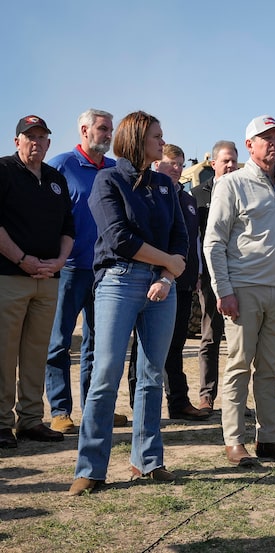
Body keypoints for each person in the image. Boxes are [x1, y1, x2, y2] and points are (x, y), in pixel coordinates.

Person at [70, 111, 188, 495]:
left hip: (162, 288)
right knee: (105, 375)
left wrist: (169, 276)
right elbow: (118, 237)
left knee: (153, 376)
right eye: (157, 134)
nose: (162, 139)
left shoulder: (166, 186)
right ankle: (90, 469)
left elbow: (180, 239)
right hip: (118, 281)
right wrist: (166, 263)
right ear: (137, 139)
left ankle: (147, 461)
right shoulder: (109, 179)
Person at [203, 115, 275, 467]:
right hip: (243, 288)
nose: (273, 143)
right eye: (266, 137)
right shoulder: (231, 184)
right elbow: (213, 243)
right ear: (250, 145)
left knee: (270, 369)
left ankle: (270, 440)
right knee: (239, 366)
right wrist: (224, 290)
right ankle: (234, 441)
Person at [44, 109, 125, 434]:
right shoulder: (61, 166)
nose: (108, 135)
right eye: (103, 129)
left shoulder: (114, 169)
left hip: (106, 271)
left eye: (110, 130)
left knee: (97, 343)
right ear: (84, 130)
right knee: (60, 342)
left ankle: (95, 407)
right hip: (69, 270)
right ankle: (60, 411)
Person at [0, 115, 74, 449]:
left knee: (35, 354)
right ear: (17, 141)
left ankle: (30, 420)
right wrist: (21, 259)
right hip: (10, 277)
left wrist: (59, 261)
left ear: (48, 142)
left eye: (42, 137)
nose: (36, 142)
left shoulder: (56, 178)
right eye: (29, 137)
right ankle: (1, 423)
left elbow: (68, 228)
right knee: (3, 354)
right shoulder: (3, 171)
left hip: (48, 279)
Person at [125, 144, 208, 420]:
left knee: (176, 345)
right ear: (157, 163)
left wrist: (194, 274)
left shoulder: (186, 200)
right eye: (172, 162)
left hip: (182, 283)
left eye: (181, 164)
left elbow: (192, 241)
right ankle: (140, 405)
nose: (177, 168)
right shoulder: (149, 194)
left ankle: (179, 402)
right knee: (144, 346)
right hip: (154, 281)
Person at [191, 140, 239, 413]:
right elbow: (198, 240)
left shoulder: (245, 191)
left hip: (241, 274)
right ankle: (207, 395)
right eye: (225, 161)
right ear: (214, 164)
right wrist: (198, 271)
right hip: (210, 276)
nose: (231, 165)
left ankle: (236, 399)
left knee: (239, 340)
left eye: (234, 160)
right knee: (211, 335)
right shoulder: (199, 196)